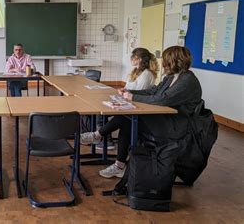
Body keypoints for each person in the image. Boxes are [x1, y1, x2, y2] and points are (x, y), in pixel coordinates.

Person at [81, 46, 199, 179]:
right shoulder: (171, 77)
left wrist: (133, 97)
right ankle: (116, 161)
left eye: (166, 60)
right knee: (127, 119)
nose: (163, 63)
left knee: (127, 119)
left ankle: (99, 137)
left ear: (173, 61)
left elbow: (163, 100)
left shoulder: (187, 80)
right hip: (164, 117)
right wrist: (130, 93)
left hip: (176, 125)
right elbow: (153, 91)